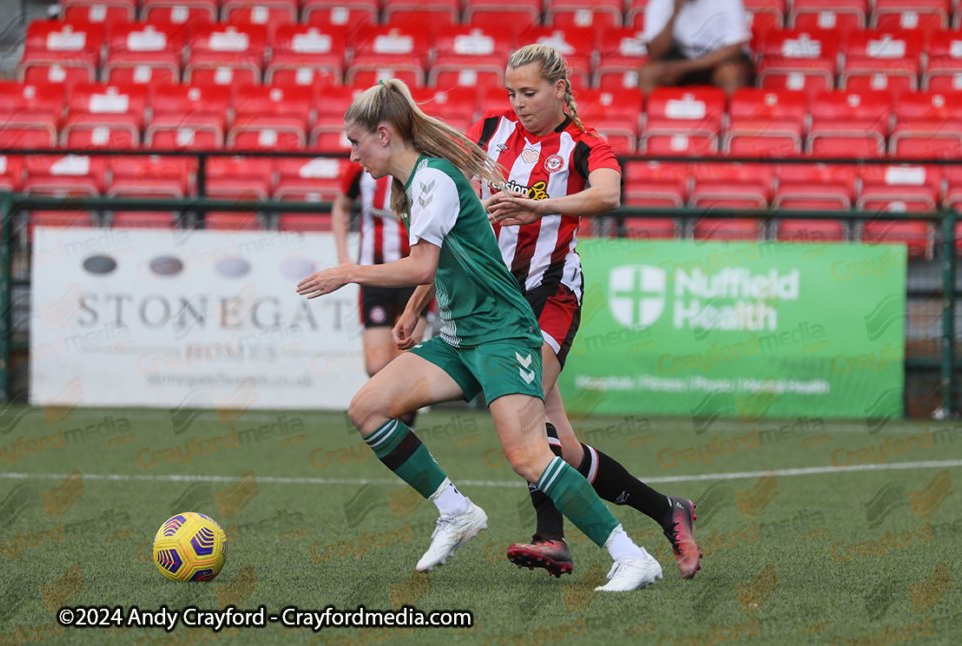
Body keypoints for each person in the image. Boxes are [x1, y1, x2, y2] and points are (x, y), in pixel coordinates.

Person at [297, 79, 663, 592]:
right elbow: (442, 263)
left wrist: (349, 272)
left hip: (501, 334)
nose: (352, 154)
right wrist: (416, 307)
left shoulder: (434, 180)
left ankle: (632, 557)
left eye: (355, 142)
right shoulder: (415, 180)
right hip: (459, 337)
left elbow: (423, 262)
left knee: (530, 458)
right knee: (367, 408)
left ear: (383, 134)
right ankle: (456, 511)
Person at [458, 44, 702, 579]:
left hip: (552, 290)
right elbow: (462, 204)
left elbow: (608, 195)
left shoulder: (586, 145)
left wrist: (537, 206)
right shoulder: (491, 129)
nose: (518, 103)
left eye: (529, 92)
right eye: (511, 93)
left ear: (560, 90)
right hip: (498, 295)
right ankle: (668, 510)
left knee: (522, 412)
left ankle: (551, 538)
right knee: (562, 448)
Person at [331, 162, 427, 427]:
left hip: (415, 276)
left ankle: (400, 424)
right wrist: (343, 258)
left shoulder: (422, 167)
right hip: (374, 275)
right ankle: (399, 416)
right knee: (377, 366)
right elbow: (341, 206)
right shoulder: (360, 167)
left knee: (404, 359)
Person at [638, 0, 752, 96]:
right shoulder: (661, 2)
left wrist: (683, 67)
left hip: (717, 58)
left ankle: (730, 120)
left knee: (730, 73)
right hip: (680, 54)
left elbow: (733, 49)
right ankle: (652, 121)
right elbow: (655, 52)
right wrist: (675, 12)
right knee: (648, 73)